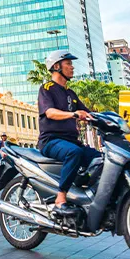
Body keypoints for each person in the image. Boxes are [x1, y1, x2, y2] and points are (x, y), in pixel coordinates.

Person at [38, 50, 99, 216]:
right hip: (51, 140)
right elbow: (49, 112)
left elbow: (88, 114)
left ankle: (84, 193)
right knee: (74, 153)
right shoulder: (46, 88)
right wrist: (73, 114)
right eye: (68, 64)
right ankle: (60, 198)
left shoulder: (71, 94)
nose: (72, 67)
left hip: (71, 140)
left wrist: (109, 119)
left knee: (99, 159)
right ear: (57, 66)